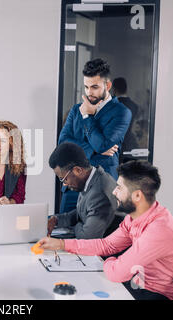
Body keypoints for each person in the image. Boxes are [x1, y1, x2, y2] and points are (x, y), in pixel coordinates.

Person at [38, 161, 173, 300]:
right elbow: (106, 245)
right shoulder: (134, 217)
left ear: (137, 196)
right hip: (145, 285)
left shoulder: (159, 230)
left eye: (119, 188)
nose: (114, 192)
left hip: (165, 295)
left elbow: (117, 273)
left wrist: (110, 260)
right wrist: (61, 244)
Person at [57, 59, 132, 214]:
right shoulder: (76, 109)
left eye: (94, 87)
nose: (89, 92)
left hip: (102, 187)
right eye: (86, 87)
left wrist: (87, 117)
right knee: (63, 230)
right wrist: (93, 150)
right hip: (72, 185)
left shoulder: (122, 112)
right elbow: (63, 144)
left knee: (95, 235)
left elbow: (102, 145)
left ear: (108, 86)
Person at [47, 142, 118, 239]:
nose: (65, 184)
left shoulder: (100, 193)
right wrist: (56, 220)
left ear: (78, 170)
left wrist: (77, 225)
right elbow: (81, 213)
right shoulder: (91, 178)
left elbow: (88, 237)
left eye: (64, 179)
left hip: (102, 252)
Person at [112, 77, 141, 162]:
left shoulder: (112, 106)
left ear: (114, 89)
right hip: (131, 146)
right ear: (126, 89)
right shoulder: (134, 106)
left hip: (116, 148)